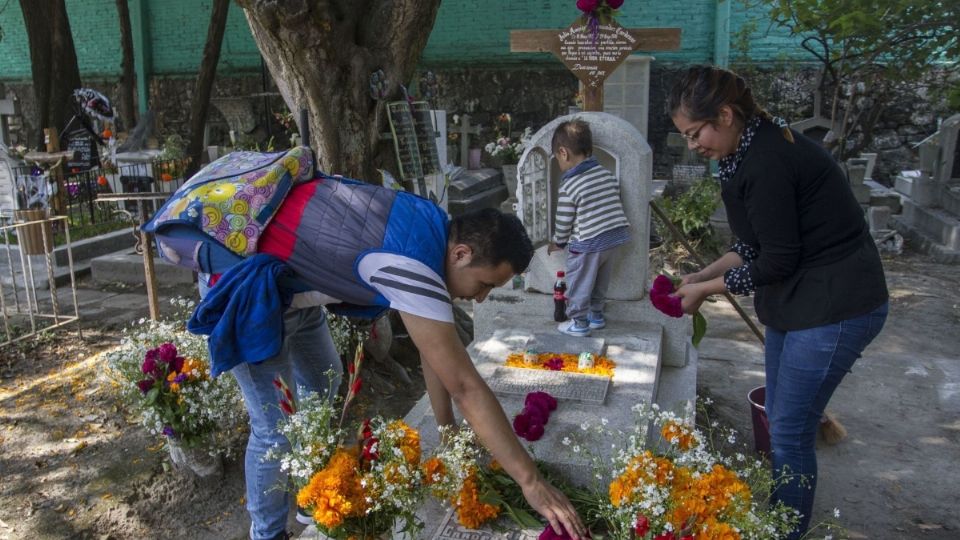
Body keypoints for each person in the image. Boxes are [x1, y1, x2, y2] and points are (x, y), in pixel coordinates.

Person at [190, 176, 587, 540]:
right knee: (275, 429)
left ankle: (312, 498)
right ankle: (268, 533)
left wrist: (447, 434)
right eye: (484, 285)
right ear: (463, 253)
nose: (481, 298)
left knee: (322, 389)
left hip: (295, 289)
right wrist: (530, 481)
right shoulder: (413, 263)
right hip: (243, 289)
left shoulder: (435, 227)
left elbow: (435, 352)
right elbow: (464, 385)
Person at [667, 65, 889, 538]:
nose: (693, 145)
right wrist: (704, 272)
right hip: (799, 301)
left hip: (837, 303)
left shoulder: (767, 159)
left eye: (695, 132)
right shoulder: (743, 153)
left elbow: (777, 262)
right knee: (784, 421)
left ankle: (783, 531)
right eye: (685, 136)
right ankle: (778, 520)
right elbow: (752, 244)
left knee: (788, 430)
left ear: (725, 115)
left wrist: (706, 292)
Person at [547, 119, 631, 337]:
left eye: (557, 158)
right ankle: (596, 315)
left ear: (563, 153)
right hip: (613, 238)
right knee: (600, 281)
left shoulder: (570, 185)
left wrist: (558, 242)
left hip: (587, 243)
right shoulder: (606, 174)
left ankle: (579, 322)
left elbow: (564, 220)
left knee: (579, 283)